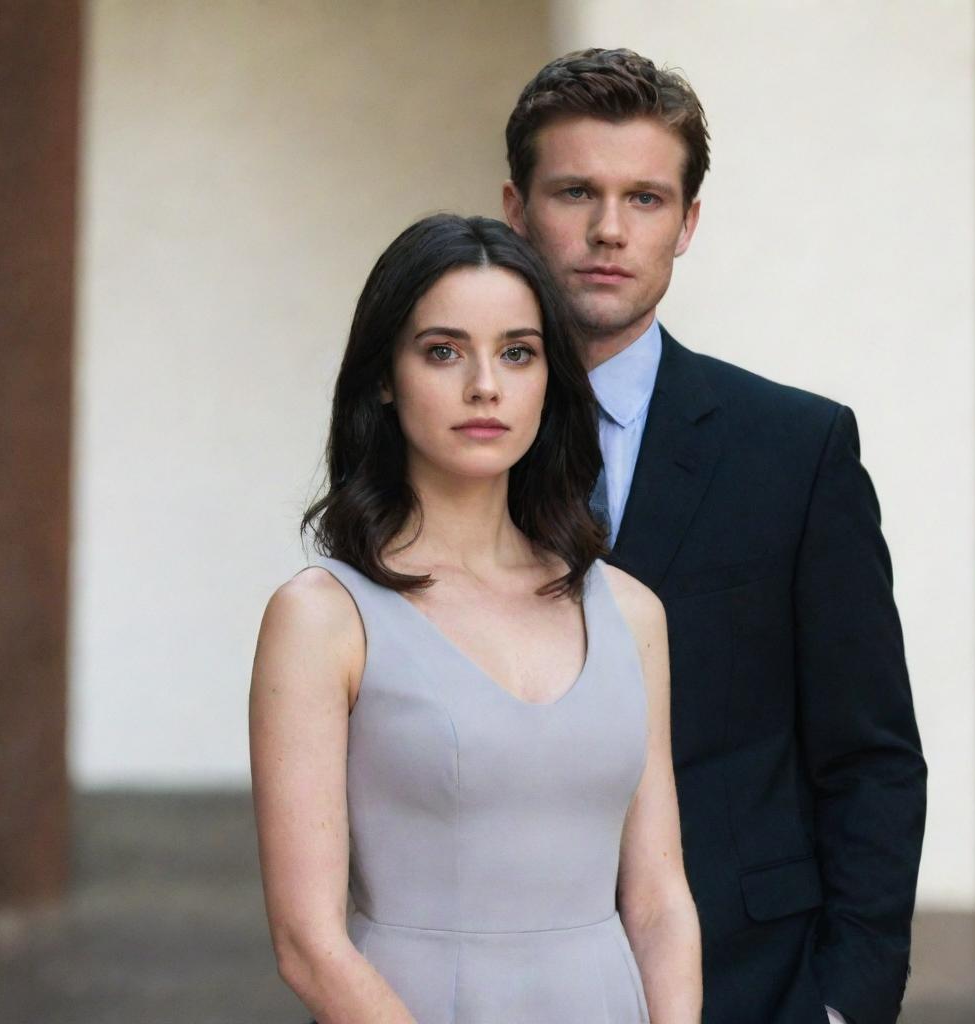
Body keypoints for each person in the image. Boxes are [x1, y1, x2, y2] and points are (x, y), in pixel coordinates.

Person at [502, 49, 926, 1024]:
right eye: (575, 191)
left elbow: (869, 756)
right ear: (516, 209)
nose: (609, 230)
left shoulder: (795, 448)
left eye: (645, 198)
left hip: (752, 981)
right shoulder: (439, 447)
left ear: (687, 222)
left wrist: (843, 1005)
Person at [249, 213, 702, 1023]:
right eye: (444, 350)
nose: (485, 385)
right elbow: (307, 942)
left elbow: (662, 901)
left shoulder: (632, 613)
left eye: (518, 353)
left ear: (549, 380)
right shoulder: (323, 620)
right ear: (385, 375)